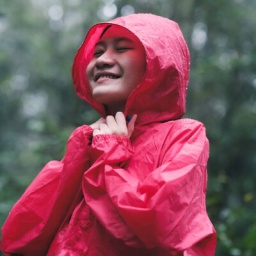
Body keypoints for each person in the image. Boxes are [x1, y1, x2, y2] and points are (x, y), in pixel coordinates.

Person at [1, 13, 216, 255]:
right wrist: (82, 151)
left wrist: (109, 152)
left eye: (122, 49)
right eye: (97, 52)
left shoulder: (183, 135)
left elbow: (158, 230)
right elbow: (20, 239)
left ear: (160, 63)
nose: (103, 60)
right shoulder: (89, 140)